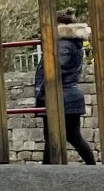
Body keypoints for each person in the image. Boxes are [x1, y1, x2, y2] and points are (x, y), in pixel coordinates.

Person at [36, 10, 97, 164]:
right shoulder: (72, 43)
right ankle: (92, 166)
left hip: (60, 96)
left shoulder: (62, 44)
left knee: (53, 137)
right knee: (71, 136)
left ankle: (47, 171)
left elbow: (56, 69)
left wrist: (43, 90)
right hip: (69, 95)